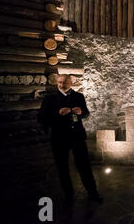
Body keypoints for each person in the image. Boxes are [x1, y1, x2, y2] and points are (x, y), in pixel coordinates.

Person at [38, 74, 102, 206]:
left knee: (84, 165)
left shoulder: (79, 96)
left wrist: (81, 112)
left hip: (77, 136)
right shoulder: (50, 98)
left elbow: (86, 113)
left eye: (65, 83)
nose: (62, 85)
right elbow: (42, 118)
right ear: (57, 83)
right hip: (59, 138)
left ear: (70, 83)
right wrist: (58, 113)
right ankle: (68, 195)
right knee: (62, 167)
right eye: (60, 82)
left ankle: (93, 192)